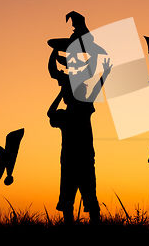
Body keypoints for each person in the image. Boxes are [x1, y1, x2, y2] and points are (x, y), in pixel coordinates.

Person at [47, 83, 101, 224]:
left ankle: (69, 227)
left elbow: (50, 113)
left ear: (66, 99)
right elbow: (95, 91)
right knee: (89, 197)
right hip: (85, 161)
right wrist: (105, 74)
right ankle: (96, 225)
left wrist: (60, 92)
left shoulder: (65, 115)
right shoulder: (84, 109)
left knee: (68, 199)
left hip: (70, 163)